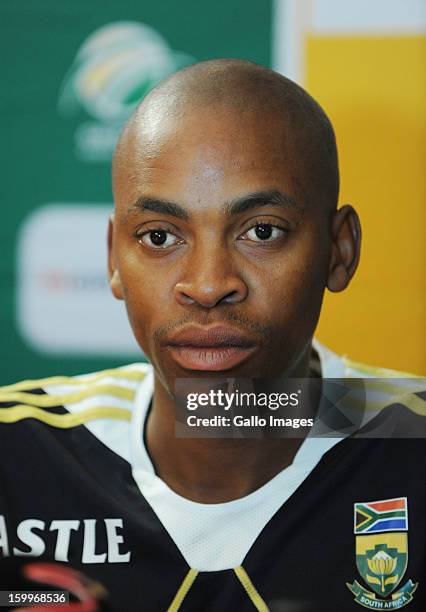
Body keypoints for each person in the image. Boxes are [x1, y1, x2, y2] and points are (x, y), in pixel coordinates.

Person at [0, 60, 424, 612]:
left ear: (339, 250)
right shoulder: (16, 455)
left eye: (261, 231)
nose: (206, 285)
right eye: (159, 236)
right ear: (113, 259)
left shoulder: (408, 440)